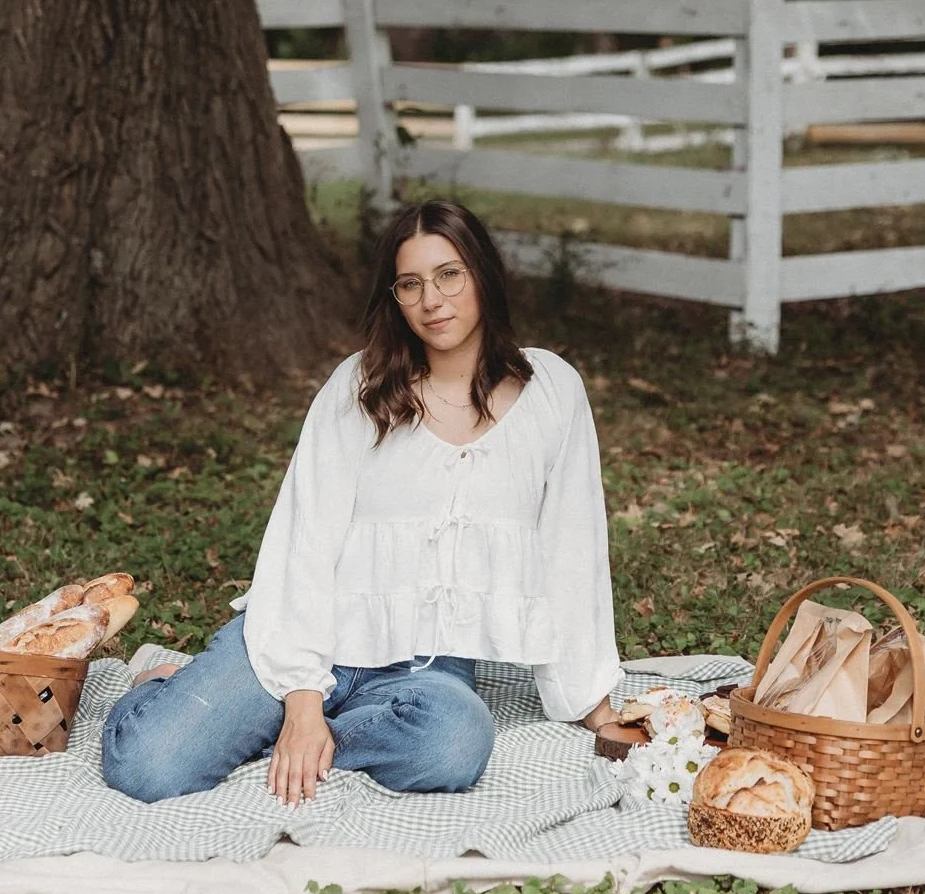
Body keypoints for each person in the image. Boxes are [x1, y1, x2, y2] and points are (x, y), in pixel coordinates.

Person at [101, 199, 622, 805]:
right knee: (149, 767)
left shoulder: (552, 390)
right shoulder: (361, 386)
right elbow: (305, 542)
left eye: (450, 274)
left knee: (453, 745)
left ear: (483, 274)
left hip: (424, 671)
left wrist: (592, 703)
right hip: (310, 634)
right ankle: (169, 692)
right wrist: (301, 701)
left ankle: (262, 735)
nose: (433, 300)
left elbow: (572, 549)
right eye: (411, 284)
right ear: (394, 298)